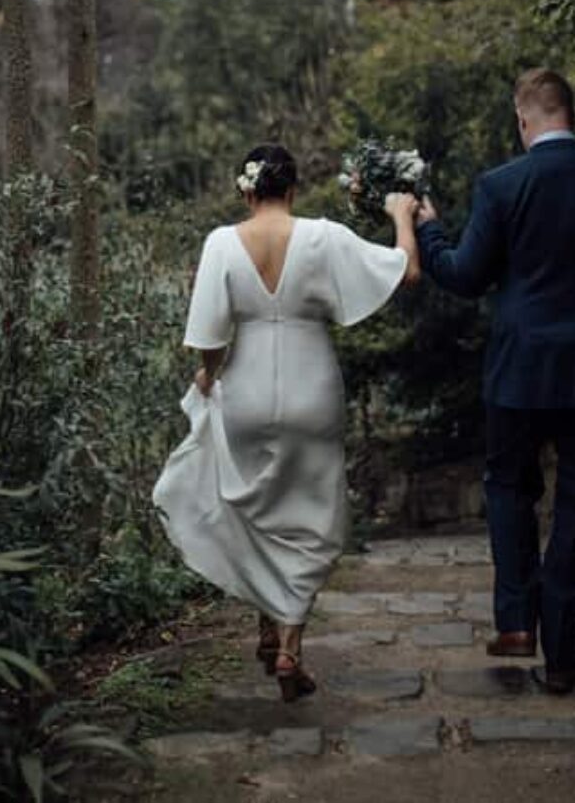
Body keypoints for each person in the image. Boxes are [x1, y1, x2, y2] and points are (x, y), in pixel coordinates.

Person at [415, 68, 575, 694]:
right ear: (570, 113)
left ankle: (515, 623)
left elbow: (464, 274)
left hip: (519, 371)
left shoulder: (502, 186)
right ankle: (562, 648)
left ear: (523, 118)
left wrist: (428, 226)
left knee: (508, 489)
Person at [152, 143, 422, 701]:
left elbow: (206, 340)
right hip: (312, 389)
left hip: (246, 392)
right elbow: (406, 271)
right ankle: (289, 645)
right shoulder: (324, 238)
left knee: (255, 511)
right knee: (312, 522)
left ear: (246, 190)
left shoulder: (222, 242)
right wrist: (400, 217)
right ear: (293, 190)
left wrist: (209, 378)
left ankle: (267, 625)